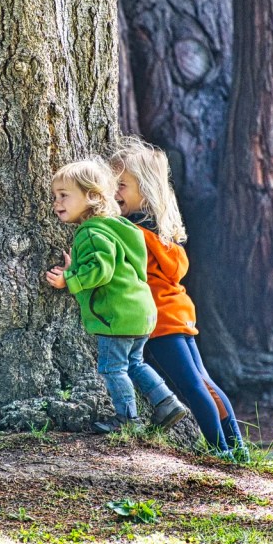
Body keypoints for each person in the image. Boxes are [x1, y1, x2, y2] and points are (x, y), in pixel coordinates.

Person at [110, 137, 248, 462]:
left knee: (192, 386)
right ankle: (235, 446)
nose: (114, 193)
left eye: (122, 186)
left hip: (159, 319)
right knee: (204, 382)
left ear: (143, 189)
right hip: (178, 312)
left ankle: (221, 452)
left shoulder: (132, 233)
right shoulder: (159, 232)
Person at [45, 157, 187, 434]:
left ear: (92, 196)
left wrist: (69, 279)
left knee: (113, 369)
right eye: (54, 196)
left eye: (64, 195)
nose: (56, 203)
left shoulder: (89, 231)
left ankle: (128, 419)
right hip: (143, 311)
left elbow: (101, 268)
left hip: (116, 315)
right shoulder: (122, 228)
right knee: (135, 363)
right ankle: (167, 403)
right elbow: (117, 261)